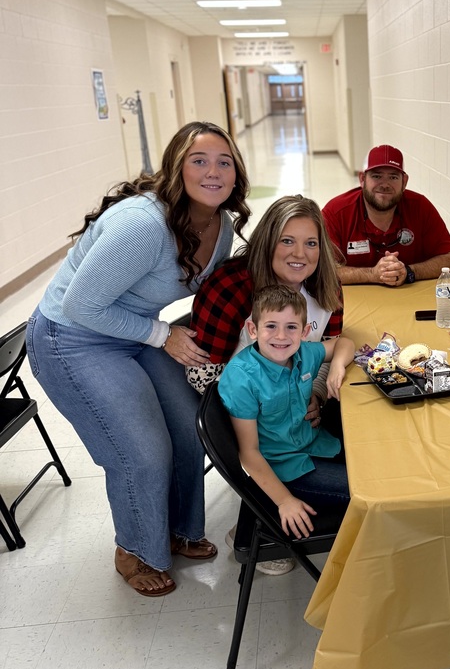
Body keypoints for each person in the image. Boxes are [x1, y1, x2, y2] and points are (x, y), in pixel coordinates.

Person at [26, 121, 250, 598]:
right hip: (73, 339)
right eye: (199, 160)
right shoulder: (143, 224)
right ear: (176, 168)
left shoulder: (222, 224)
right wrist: (161, 335)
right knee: (143, 451)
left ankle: (177, 529)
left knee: (194, 426)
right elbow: (80, 306)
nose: (213, 172)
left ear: (237, 173)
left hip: (137, 333)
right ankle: (135, 549)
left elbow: (213, 295)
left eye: (224, 162)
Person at [186, 193, 344, 574]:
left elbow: (329, 348)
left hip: (298, 428)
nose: (300, 253)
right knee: (370, 488)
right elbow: (204, 376)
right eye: (287, 240)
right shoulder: (232, 289)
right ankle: (262, 511)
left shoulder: (326, 290)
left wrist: (317, 391)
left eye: (310, 243)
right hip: (264, 435)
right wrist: (274, 399)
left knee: (370, 453)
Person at [218, 285, 354, 539]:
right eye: (271, 326)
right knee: (368, 491)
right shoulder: (242, 379)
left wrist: (336, 366)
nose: (281, 336)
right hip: (285, 471)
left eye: (291, 327)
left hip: (315, 445)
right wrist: (284, 501)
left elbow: (343, 343)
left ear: (304, 332)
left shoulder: (302, 352)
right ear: (252, 329)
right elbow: (248, 453)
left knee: (379, 466)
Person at [322, 144, 450, 287]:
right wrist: (373, 274)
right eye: (377, 176)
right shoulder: (336, 213)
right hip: (354, 304)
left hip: (407, 301)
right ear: (362, 179)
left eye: (393, 177)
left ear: (404, 182)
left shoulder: (420, 207)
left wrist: (408, 272)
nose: (385, 184)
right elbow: (321, 271)